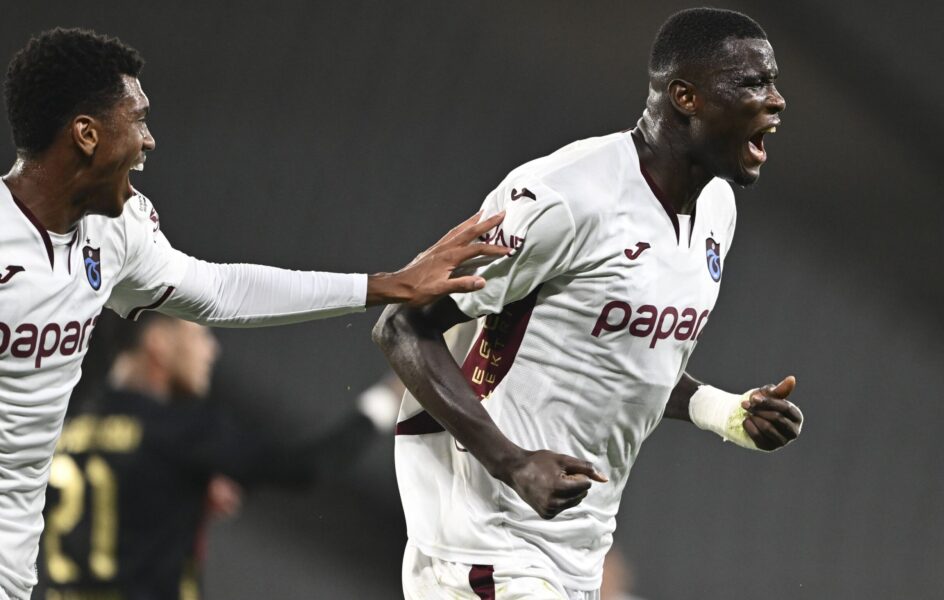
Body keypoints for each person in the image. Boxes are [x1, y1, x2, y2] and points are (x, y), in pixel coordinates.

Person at [0, 28, 509, 600]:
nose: (149, 141)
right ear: (87, 134)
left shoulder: (113, 234)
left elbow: (222, 291)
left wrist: (387, 285)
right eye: (136, 119)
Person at [374, 8, 804, 599]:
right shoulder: (565, 196)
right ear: (686, 96)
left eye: (774, 81)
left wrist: (722, 412)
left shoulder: (717, 210)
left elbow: (626, 360)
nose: (776, 100)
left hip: (577, 550)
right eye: (754, 83)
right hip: (484, 541)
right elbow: (402, 324)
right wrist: (512, 461)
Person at [33, 314, 396, 600]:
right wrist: (389, 398)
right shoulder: (182, 430)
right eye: (197, 334)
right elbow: (304, 468)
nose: (210, 350)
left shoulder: (68, 428)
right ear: (159, 342)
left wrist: (181, 494)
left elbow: (122, 496)